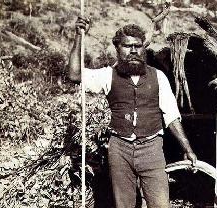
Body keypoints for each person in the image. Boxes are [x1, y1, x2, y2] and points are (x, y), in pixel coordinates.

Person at [68, 17, 197, 208]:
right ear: (117, 49)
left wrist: (187, 148)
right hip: (120, 149)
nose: (134, 51)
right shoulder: (107, 75)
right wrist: (79, 36)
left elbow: (171, 116)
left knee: (161, 205)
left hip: (152, 149)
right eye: (128, 46)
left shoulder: (158, 77)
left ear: (144, 48)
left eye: (138, 46)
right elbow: (75, 74)